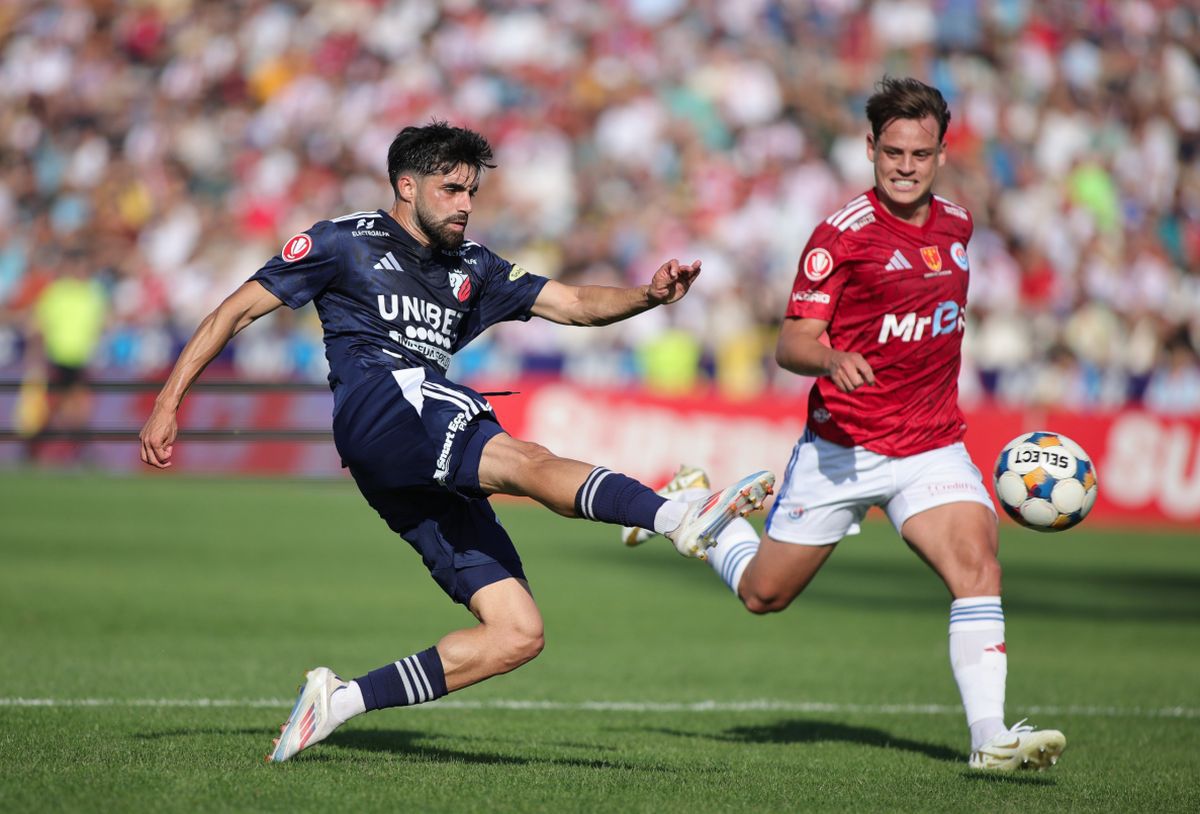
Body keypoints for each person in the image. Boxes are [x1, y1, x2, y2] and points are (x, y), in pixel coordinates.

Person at [138, 121, 774, 763]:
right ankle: (678, 517)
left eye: (471, 192)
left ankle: (339, 702)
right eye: (451, 190)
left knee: (517, 633)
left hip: (405, 457)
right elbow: (234, 311)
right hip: (384, 405)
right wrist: (167, 403)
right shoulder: (343, 241)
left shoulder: (475, 266)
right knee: (525, 461)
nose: (465, 204)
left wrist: (649, 296)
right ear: (406, 186)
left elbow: (576, 303)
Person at [624, 78, 1065, 772]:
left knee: (978, 567)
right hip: (842, 450)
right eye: (893, 152)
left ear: (941, 155)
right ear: (870, 149)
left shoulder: (958, 223)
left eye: (920, 153)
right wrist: (831, 357)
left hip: (931, 446)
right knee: (764, 596)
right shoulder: (841, 236)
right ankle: (701, 508)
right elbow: (790, 343)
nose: (905, 166)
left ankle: (990, 739)